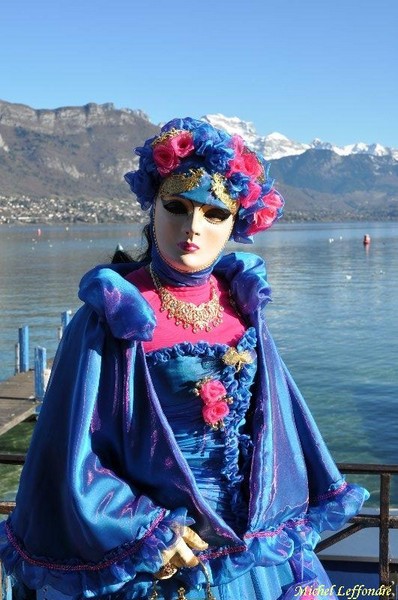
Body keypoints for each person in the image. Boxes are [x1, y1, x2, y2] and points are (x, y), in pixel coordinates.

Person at [0, 118, 368, 600]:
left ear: (237, 221)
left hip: (254, 559)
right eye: (177, 206)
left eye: (215, 214)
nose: (193, 227)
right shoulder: (114, 313)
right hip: (158, 563)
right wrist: (144, 529)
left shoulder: (243, 303)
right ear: (152, 206)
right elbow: (71, 453)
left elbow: (277, 428)